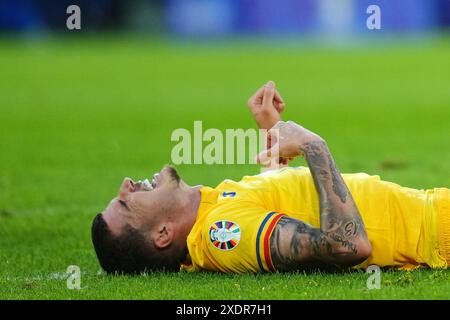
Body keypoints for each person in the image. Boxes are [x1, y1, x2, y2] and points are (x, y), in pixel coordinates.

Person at [91, 81, 449, 274]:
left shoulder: (214, 213)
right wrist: (313, 146)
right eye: (125, 202)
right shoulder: (219, 234)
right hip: (436, 231)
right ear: (163, 235)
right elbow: (346, 245)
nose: (127, 184)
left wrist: (273, 138)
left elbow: (274, 203)